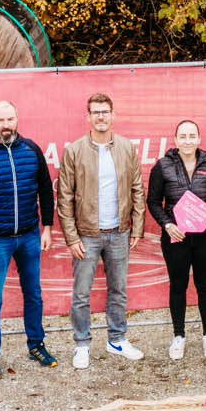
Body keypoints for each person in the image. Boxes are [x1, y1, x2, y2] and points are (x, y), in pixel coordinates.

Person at [0, 99, 58, 380]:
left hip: (29, 235)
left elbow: (45, 189)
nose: (6, 125)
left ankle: (36, 345)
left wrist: (47, 227)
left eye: (10, 119)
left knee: (34, 294)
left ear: (17, 119)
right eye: (0, 120)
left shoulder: (31, 149)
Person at [57, 92, 146, 367]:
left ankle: (117, 339)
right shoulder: (74, 150)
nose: (100, 116)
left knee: (118, 290)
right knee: (81, 294)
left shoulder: (126, 147)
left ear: (113, 115)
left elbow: (137, 188)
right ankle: (82, 344)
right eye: (95, 112)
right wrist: (71, 237)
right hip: (86, 235)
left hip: (119, 232)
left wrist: (137, 228)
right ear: (88, 117)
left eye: (105, 111)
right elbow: (64, 197)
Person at [146, 118, 206, 361]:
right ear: (175, 140)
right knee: (178, 286)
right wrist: (167, 224)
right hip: (176, 237)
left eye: (192, 136)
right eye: (183, 136)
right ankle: (178, 336)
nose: (188, 141)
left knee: (205, 286)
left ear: (199, 139)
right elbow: (153, 201)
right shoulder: (162, 166)